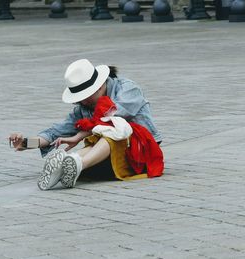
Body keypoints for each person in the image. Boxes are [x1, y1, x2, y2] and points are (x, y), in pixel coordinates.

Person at [9, 59, 163, 190]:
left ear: (100, 85)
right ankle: (66, 163)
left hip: (141, 154)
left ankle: (76, 163)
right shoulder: (84, 108)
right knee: (92, 146)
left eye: (86, 96)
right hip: (109, 156)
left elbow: (110, 119)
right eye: (79, 98)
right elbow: (54, 133)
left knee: (111, 132)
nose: (83, 101)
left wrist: (80, 135)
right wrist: (25, 143)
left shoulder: (127, 88)